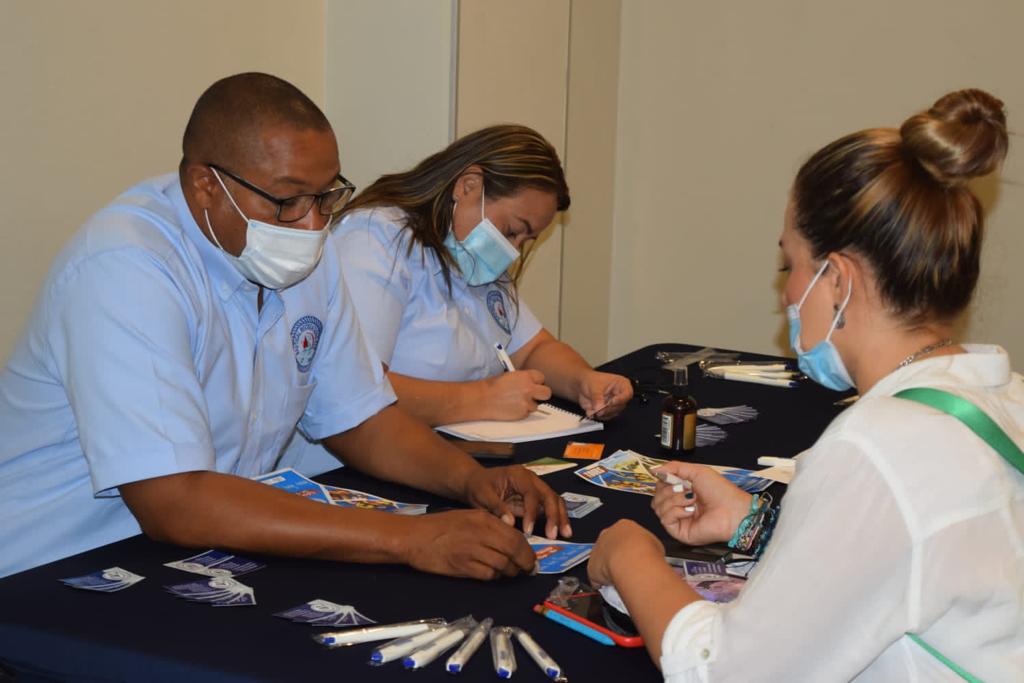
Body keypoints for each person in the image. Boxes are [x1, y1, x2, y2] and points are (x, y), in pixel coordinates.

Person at [0, 73, 570, 581]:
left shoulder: (300, 252)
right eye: (289, 200)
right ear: (206, 186)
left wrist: (471, 482)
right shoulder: (126, 267)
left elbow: (361, 418)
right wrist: (411, 539)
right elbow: (173, 499)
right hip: (52, 567)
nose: (314, 222)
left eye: (325, 196)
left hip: (192, 547)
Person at [588, 89, 1022, 681]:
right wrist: (759, 524)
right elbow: (922, 565)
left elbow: (725, 671)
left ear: (837, 279)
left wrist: (629, 557)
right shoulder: (1001, 396)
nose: (787, 294)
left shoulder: (881, 445)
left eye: (788, 265)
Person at [320, 124, 632, 426]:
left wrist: (585, 381)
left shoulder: (472, 254)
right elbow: (353, 387)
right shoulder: (375, 238)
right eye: (511, 231)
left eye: (525, 241)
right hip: (345, 467)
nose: (512, 251)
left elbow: (532, 349)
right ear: (468, 186)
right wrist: (481, 398)